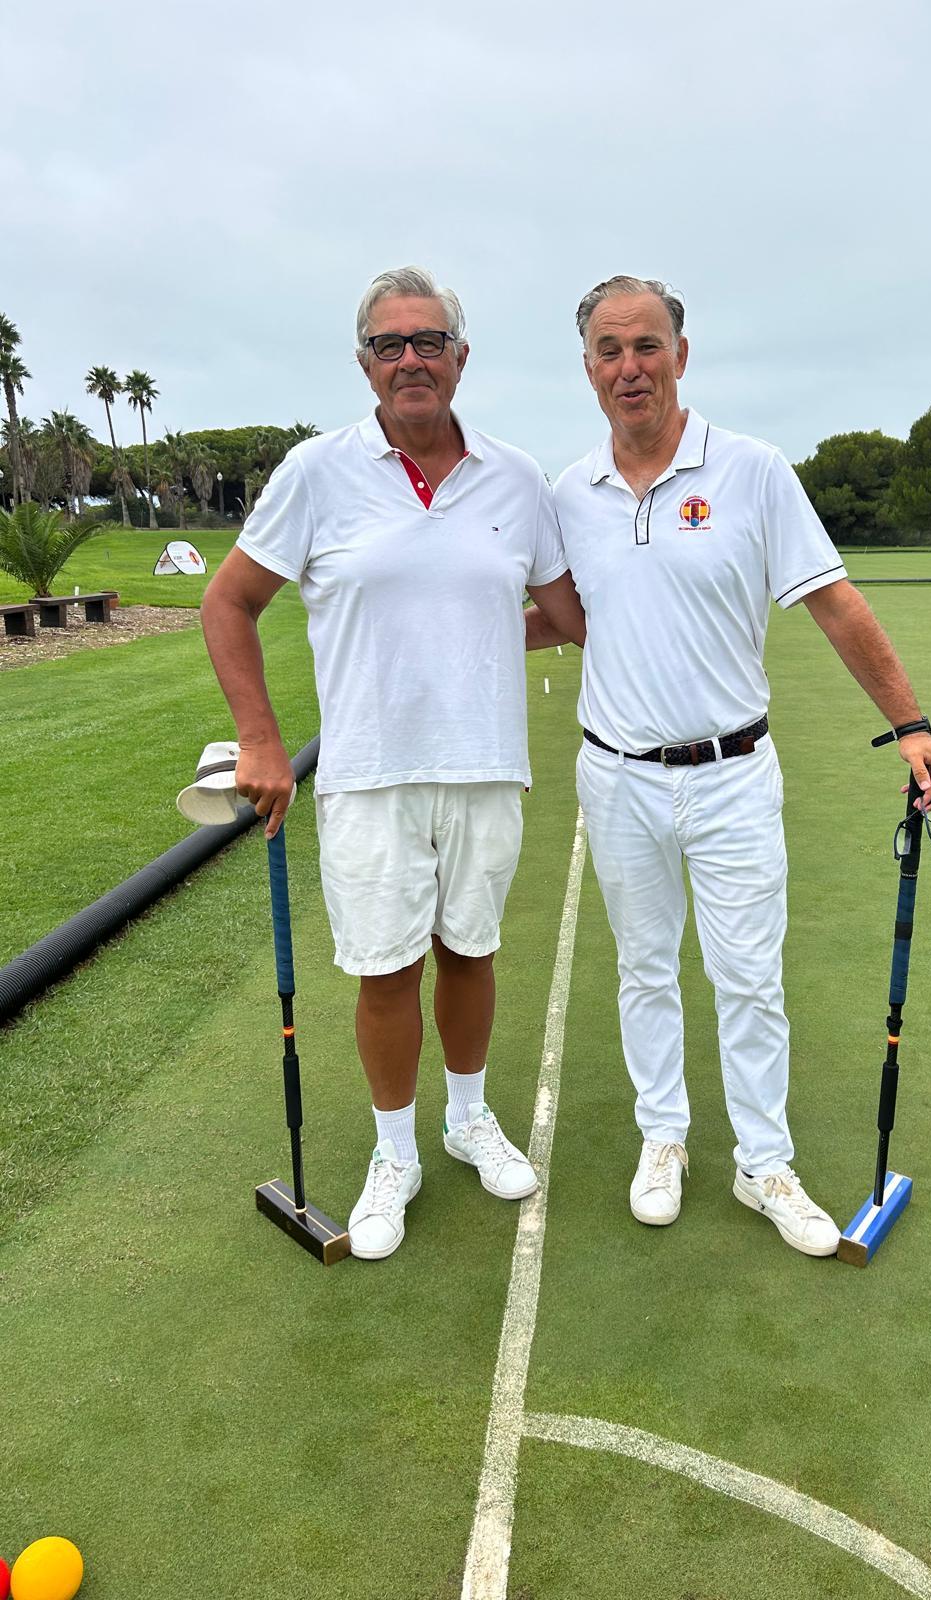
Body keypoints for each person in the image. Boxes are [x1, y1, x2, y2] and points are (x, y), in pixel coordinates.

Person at [538, 274, 931, 1258]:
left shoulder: (754, 471)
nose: (629, 367)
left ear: (681, 353)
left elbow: (836, 602)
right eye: (608, 349)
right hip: (618, 776)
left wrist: (911, 723)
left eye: (646, 346)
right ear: (587, 365)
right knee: (645, 969)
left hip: (730, 776)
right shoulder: (567, 494)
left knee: (748, 976)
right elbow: (557, 621)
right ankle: (663, 1136)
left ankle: (764, 1162)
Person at [201, 266, 586, 1261]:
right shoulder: (316, 473)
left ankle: (466, 1118)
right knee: (386, 968)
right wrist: (258, 737)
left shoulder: (515, 478)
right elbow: (229, 602)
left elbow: (567, 616)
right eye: (389, 344)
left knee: (472, 949)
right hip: (371, 771)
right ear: (365, 364)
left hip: (486, 764)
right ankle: (393, 1151)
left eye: (428, 341)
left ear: (461, 358)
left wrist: (489, 642)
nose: (409, 358)